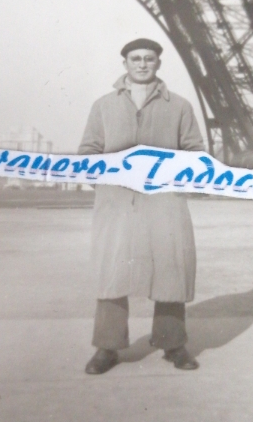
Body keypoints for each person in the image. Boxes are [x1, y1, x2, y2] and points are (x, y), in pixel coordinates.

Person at [78, 38, 205, 374]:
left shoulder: (179, 106)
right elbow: (88, 150)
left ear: (158, 64)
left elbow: (194, 151)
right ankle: (107, 347)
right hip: (117, 202)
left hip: (163, 200)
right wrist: (107, 183)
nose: (143, 64)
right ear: (125, 64)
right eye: (136, 59)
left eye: (149, 59)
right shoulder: (103, 105)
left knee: (170, 270)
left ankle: (173, 344)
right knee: (112, 272)